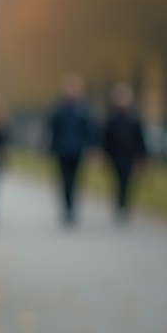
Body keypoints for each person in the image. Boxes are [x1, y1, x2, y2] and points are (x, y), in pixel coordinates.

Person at [47, 73, 96, 225]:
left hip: (78, 150)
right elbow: (53, 130)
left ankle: (73, 208)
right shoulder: (59, 108)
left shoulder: (84, 108)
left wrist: (91, 148)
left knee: (76, 181)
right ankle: (67, 208)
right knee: (64, 181)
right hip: (62, 150)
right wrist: (51, 149)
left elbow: (90, 130)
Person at [102, 84, 146, 222]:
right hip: (115, 155)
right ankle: (120, 204)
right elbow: (106, 140)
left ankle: (124, 205)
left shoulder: (134, 119)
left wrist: (142, 157)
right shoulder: (111, 119)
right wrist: (105, 156)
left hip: (130, 155)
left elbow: (140, 139)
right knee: (117, 180)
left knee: (127, 181)